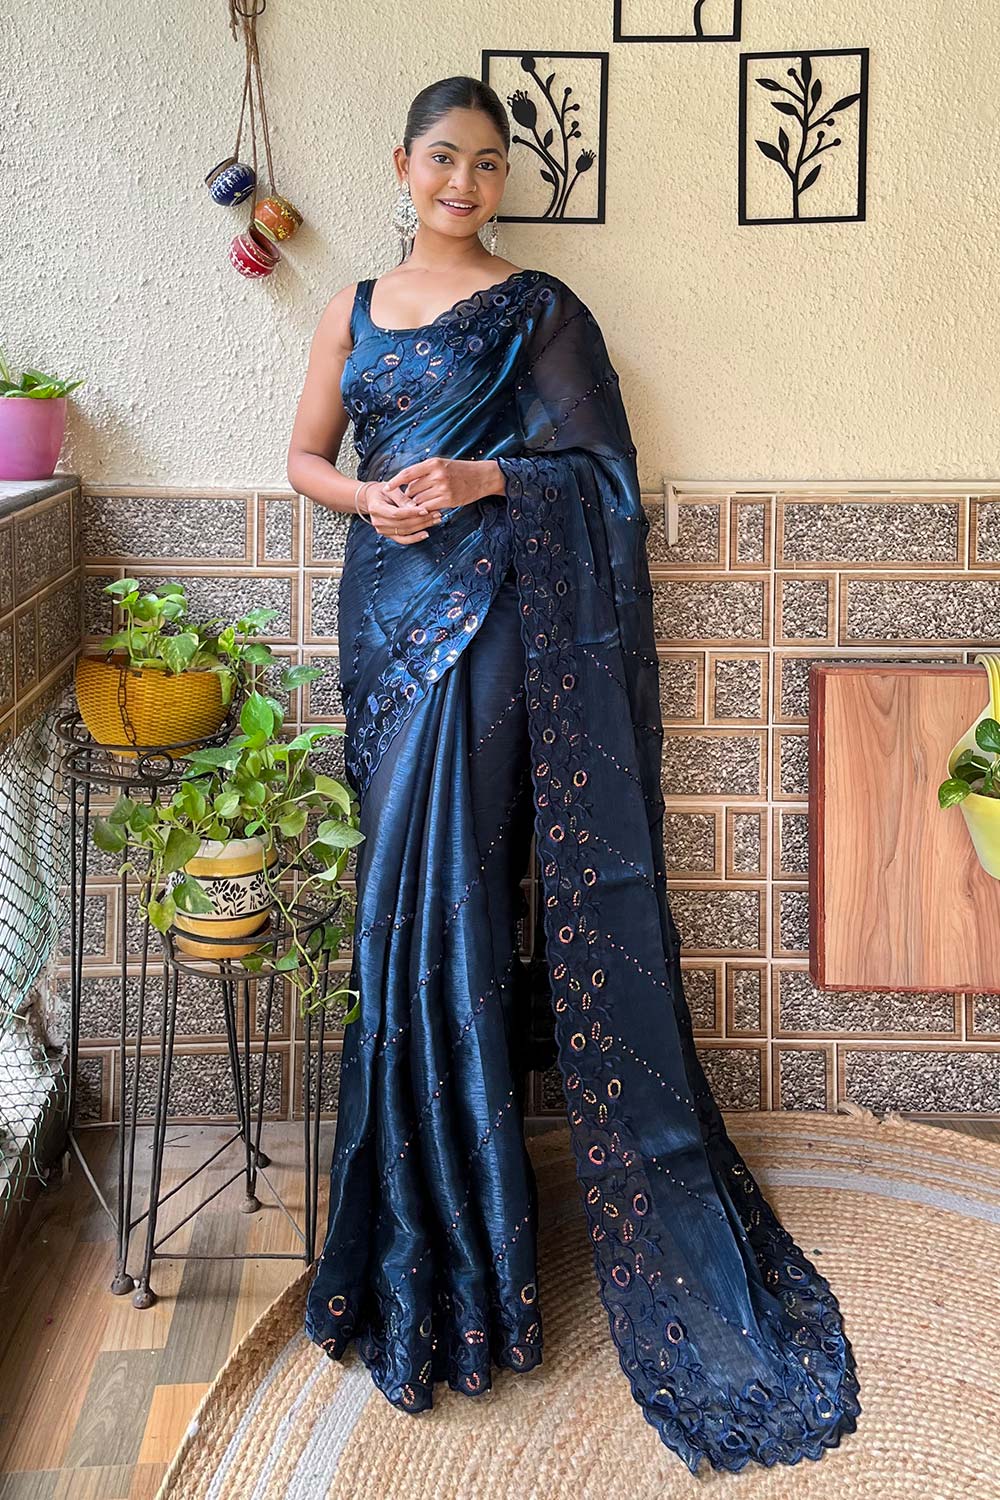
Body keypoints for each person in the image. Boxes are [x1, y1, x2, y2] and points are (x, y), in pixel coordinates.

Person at [286, 74, 860, 1477]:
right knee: (391, 914)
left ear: (504, 181)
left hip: (494, 629)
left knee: (462, 904)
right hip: (384, 622)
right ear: (402, 164)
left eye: (488, 165)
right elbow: (305, 457)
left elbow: (600, 478)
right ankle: (409, 1233)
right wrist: (370, 496)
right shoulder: (351, 308)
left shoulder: (539, 310)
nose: (464, 183)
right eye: (444, 159)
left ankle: (482, 1255)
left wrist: (487, 481)